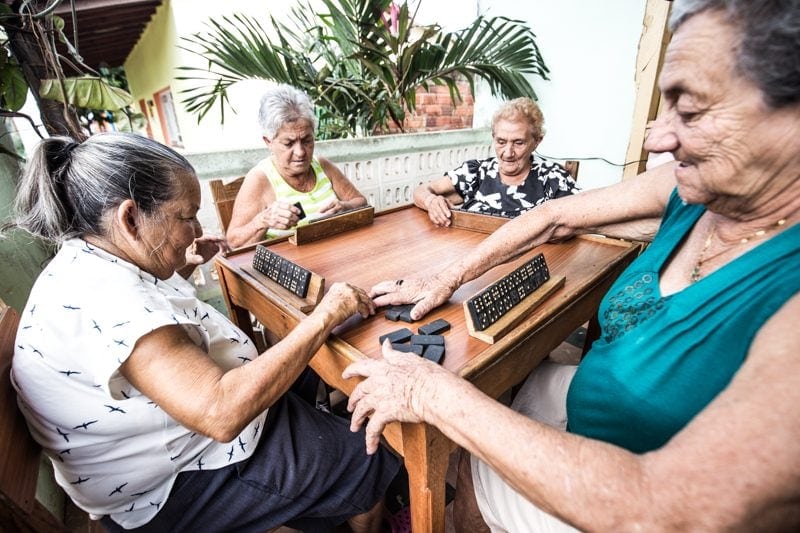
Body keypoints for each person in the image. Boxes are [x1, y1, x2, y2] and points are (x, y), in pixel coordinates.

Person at [343, 0, 800, 530]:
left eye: (691, 110)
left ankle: (471, 503)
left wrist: (430, 392)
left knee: (466, 452)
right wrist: (446, 275)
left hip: (630, 488)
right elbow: (554, 217)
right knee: (517, 381)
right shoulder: (697, 192)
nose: (656, 138)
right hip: (599, 395)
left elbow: (673, 510)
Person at [7, 132, 399, 532]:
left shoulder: (89, 260)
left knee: (307, 365)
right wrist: (324, 315)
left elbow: (151, 329)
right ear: (130, 219)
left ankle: (319, 493)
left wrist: (182, 268)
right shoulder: (113, 303)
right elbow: (221, 414)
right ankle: (357, 490)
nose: (196, 229)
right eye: (186, 216)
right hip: (175, 485)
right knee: (366, 460)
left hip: (163, 449)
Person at [226, 84, 367, 248]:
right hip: (291, 269)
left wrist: (345, 207)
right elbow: (233, 242)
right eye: (289, 143)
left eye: (307, 140)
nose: (300, 152)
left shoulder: (322, 165)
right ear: (268, 142)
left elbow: (361, 202)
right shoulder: (260, 179)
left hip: (336, 255)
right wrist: (262, 221)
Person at [413, 97, 579, 227]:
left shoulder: (553, 179)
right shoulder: (477, 173)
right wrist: (432, 202)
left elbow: (580, 220)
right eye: (501, 141)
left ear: (536, 141)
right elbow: (421, 191)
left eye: (518, 142)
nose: (507, 153)